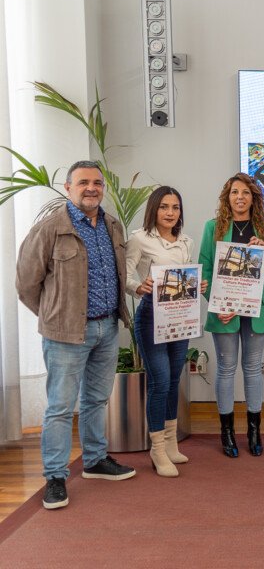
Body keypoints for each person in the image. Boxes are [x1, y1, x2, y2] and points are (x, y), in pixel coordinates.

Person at [16, 160, 136, 509]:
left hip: (107, 327)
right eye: (83, 182)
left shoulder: (112, 226)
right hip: (66, 334)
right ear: (68, 187)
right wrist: (55, 317)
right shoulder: (50, 229)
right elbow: (26, 283)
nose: (91, 188)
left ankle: (95, 461)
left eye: (97, 182)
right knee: (59, 407)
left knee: (96, 400)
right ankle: (55, 477)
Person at [126, 186, 206, 477]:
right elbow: (126, 272)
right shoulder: (139, 238)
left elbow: (183, 279)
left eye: (175, 207)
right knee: (159, 382)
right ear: (153, 210)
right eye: (164, 207)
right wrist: (137, 286)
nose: (170, 213)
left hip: (180, 317)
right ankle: (157, 449)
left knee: (174, 381)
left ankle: (171, 444)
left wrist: (198, 285)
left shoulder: (186, 241)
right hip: (151, 317)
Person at [199, 173, 264, 458]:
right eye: (235, 192)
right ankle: (227, 431)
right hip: (225, 311)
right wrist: (216, 304)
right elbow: (205, 269)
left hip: (256, 309)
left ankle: (254, 430)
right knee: (226, 368)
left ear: (253, 198)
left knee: (254, 368)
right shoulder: (213, 228)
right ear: (227, 197)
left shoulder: (263, 227)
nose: (240, 197)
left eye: (245, 192)